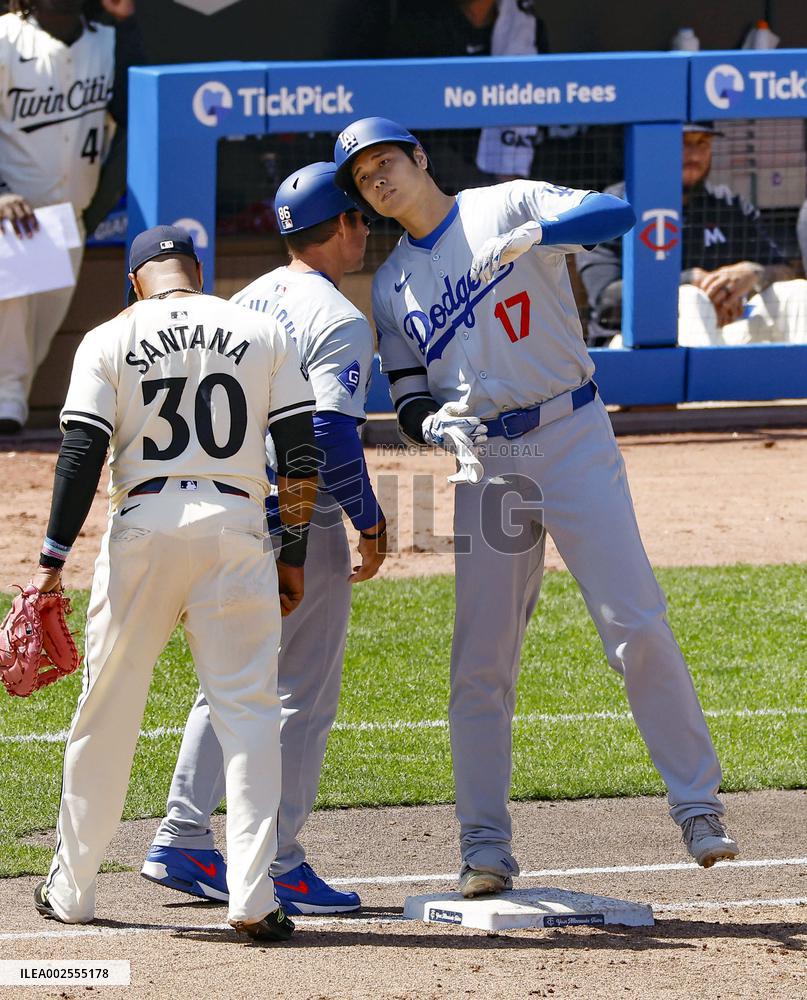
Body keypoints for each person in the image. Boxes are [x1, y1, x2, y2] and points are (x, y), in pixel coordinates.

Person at [333, 116, 740, 898]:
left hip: (571, 431)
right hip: (491, 460)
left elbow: (617, 216)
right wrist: (431, 428)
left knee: (634, 620)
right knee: (478, 660)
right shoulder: (390, 287)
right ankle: (483, 845)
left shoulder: (506, 201)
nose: (378, 179)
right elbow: (410, 393)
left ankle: (696, 806)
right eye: (362, 177)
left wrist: (535, 233)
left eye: (386, 161)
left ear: (419, 158)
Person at [30, 224, 320, 943]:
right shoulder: (259, 329)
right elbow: (301, 453)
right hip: (236, 526)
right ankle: (252, 897)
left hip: (144, 526)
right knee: (249, 716)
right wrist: (292, 553)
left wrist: (50, 561)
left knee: (108, 713)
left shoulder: (109, 336)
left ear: (135, 281)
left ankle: (72, 890)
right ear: (198, 271)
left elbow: (80, 452)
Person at [140, 163, 387, 915]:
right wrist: (368, 521)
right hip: (294, 517)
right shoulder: (338, 317)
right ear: (342, 226)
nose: (368, 229)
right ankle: (276, 859)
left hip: (220, 507)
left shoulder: (241, 302)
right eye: (361, 218)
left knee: (229, 678)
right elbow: (330, 438)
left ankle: (183, 837)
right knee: (299, 695)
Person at [0, 0, 141, 434]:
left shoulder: (108, 42)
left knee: (36, 334)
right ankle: (8, 406)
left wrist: (93, 209)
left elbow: (139, 117)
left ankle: (10, 404)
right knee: (12, 329)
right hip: (13, 213)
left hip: (67, 217)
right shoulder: (6, 38)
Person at [577, 123, 806, 347]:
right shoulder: (614, 207)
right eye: (683, 142)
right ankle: (705, 385)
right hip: (633, 341)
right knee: (691, 298)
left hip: (722, 332)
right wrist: (690, 282)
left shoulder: (728, 206)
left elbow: (786, 271)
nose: (694, 154)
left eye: (703, 143)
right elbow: (606, 299)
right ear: (655, 146)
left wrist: (752, 274)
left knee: (796, 294)